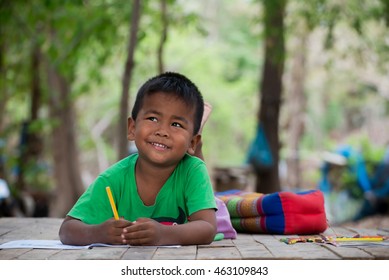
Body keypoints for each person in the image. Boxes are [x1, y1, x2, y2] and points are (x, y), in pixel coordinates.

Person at [59, 72, 217, 246]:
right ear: (132, 128)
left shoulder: (192, 170)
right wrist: (98, 233)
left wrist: (162, 234)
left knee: (221, 214)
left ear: (192, 142)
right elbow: (67, 230)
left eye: (176, 124)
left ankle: (194, 135)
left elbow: (208, 227)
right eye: (153, 118)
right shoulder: (112, 179)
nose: (162, 131)